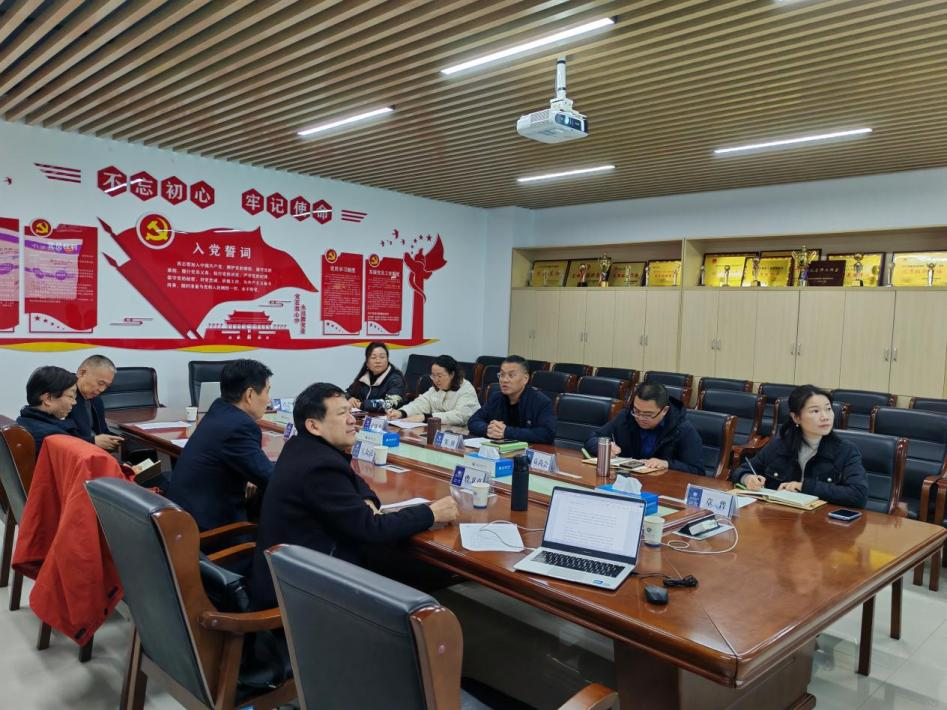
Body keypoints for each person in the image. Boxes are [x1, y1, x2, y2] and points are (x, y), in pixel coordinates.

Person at [250, 382, 459, 609]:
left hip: (295, 567)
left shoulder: (302, 447)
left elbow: (352, 478)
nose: (352, 420)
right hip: (303, 587)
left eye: (350, 411)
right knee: (427, 565)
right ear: (313, 426)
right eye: (342, 413)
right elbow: (372, 529)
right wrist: (431, 512)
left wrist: (367, 500)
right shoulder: (320, 467)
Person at [166, 359, 275, 531]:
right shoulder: (240, 426)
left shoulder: (219, 410)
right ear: (250, 395)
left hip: (185, 518)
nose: (269, 400)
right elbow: (272, 479)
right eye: (267, 392)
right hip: (211, 532)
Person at [730, 384, 868, 507]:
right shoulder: (779, 445)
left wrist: (804, 487)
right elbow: (739, 471)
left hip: (820, 522)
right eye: (815, 411)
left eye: (828, 409)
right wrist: (747, 478)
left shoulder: (845, 451)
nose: (825, 417)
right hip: (780, 518)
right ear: (796, 417)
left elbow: (858, 494)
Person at [583, 381, 703, 474]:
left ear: (664, 411)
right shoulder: (626, 417)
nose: (640, 418)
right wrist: (604, 447)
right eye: (637, 411)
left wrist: (667, 464)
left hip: (662, 486)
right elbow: (592, 438)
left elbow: (697, 470)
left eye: (647, 415)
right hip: (627, 481)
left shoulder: (682, 428)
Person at [467, 355, 555, 444]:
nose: (505, 380)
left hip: (529, 450)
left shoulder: (540, 401)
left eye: (511, 375)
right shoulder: (496, 397)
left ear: (525, 379)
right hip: (499, 449)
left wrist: (506, 432)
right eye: (502, 375)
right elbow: (473, 421)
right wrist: (488, 429)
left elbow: (547, 433)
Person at [386, 355, 479, 426]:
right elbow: (420, 404)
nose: (436, 380)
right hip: (439, 429)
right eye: (433, 376)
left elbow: (460, 416)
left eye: (439, 376)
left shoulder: (466, 389)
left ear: (452, 374)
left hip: (462, 432)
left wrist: (426, 417)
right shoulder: (435, 389)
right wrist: (402, 412)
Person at [66, 354, 124, 452]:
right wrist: (92, 441)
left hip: (96, 453)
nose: (102, 389)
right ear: (82, 373)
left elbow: (102, 431)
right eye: (100, 383)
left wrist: (116, 440)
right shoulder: (63, 398)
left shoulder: (97, 400)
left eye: (107, 386)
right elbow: (59, 438)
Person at [17, 366, 80, 452]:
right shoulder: (53, 437)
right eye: (70, 396)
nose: (74, 402)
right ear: (47, 399)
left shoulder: (22, 422)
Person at [346, 341, 405, 411]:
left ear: (387, 360)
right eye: (373, 357)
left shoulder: (395, 379)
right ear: (367, 363)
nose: (378, 361)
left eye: (382, 357)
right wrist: (350, 398)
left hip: (387, 417)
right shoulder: (364, 377)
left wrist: (362, 405)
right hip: (364, 415)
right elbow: (346, 393)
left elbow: (390, 403)